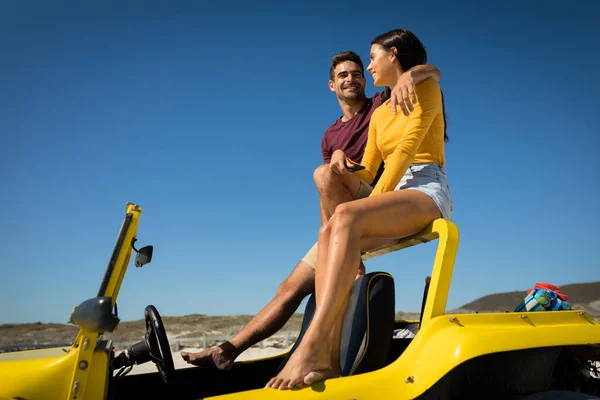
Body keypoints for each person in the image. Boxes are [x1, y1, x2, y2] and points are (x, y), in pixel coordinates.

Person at [180, 50, 441, 370]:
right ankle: (227, 349)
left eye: (358, 73)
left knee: (324, 174)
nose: (352, 78)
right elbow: (327, 192)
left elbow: (431, 72)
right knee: (289, 288)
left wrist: (410, 75)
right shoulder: (330, 136)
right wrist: (329, 230)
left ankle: (333, 315)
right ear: (331, 85)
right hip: (342, 214)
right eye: (343, 75)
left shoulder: (379, 105)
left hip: (379, 196)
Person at [265, 28, 453, 390]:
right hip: (393, 195)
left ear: (393, 54)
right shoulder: (380, 114)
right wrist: (340, 163)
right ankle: (327, 359)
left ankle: (310, 348)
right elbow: (368, 168)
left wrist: (367, 205)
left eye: (372, 58)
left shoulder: (425, 88)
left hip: (426, 189)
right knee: (326, 231)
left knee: (343, 219)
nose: (368, 68)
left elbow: (406, 151)